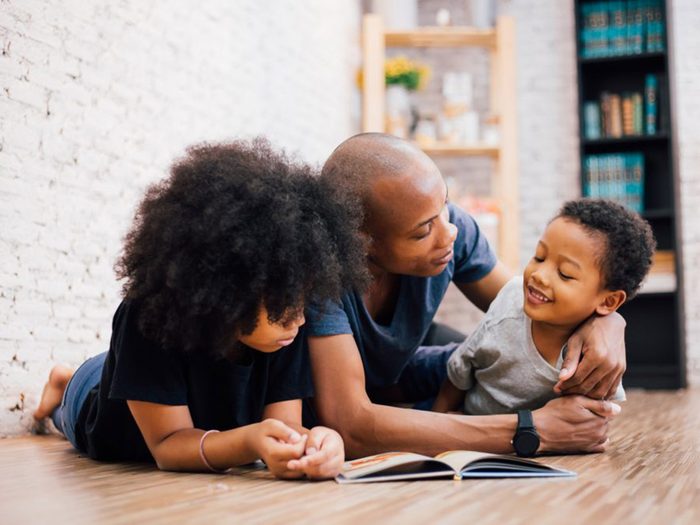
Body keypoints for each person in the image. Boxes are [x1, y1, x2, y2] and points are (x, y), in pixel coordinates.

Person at [33, 138, 368, 479]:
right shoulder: (148, 317)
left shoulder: (283, 330)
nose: (298, 318)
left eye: (303, 298)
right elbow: (167, 446)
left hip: (144, 375)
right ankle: (65, 383)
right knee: (67, 417)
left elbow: (286, 428)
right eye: (282, 302)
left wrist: (319, 443)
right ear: (228, 288)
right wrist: (251, 441)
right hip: (107, 416)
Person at [305, 133, 627, 458]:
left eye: (444, 205)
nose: (450, 232)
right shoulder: (320, 273)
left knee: (487, 357)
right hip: (328, 402)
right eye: (423, 231)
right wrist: (529, 429)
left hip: (401, 376)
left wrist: (607, 321)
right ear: (362, 242)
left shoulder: (451, 229)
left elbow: (531, 306)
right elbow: (350, 425)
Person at [433, 199, 655, 415]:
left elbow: (592, 424)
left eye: (565, 274)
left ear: (608, 302)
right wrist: (442, 421)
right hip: (470, 421)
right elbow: (459, 369)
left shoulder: (595, 357)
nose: (539, 276)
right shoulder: (510, 302)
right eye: (539, 257)